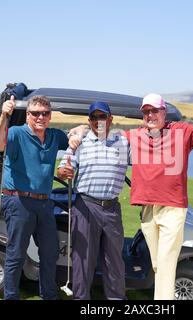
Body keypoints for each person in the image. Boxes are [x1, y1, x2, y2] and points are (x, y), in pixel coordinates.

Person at [69, 93, 193, 300]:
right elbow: (100, 132)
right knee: (158, 263)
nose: (150, 115)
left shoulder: (180, 131)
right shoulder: (135, 136)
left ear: (163, 112)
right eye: (146, 111)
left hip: (172, 206)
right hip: (148, 209)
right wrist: (80, 129)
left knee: (166, 261)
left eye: (155, 110)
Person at [0, 95, 69, 300]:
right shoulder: (16, 133)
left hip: (44, 202)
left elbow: (75, 139)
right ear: (27, 115)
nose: (40, 117)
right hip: (18, 201)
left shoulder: (54, 136)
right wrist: (4, 116)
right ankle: (11, 296)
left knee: (50, 252)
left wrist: (81, 131)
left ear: (50, 116)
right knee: (16, 253)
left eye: (45, 113)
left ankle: (49, 295)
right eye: (35, 113)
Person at [57, 101, 130, 300]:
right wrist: (65, 172)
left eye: (103, 116)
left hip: (111, 208)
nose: (99, 121)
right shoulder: (79, 142)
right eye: (94, 117)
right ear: (89, 121)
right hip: (85, 206)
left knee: (114, 260)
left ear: (111, 119)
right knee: (83, 260)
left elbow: (145, 162)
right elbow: (62, 170)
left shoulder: (122, 143)